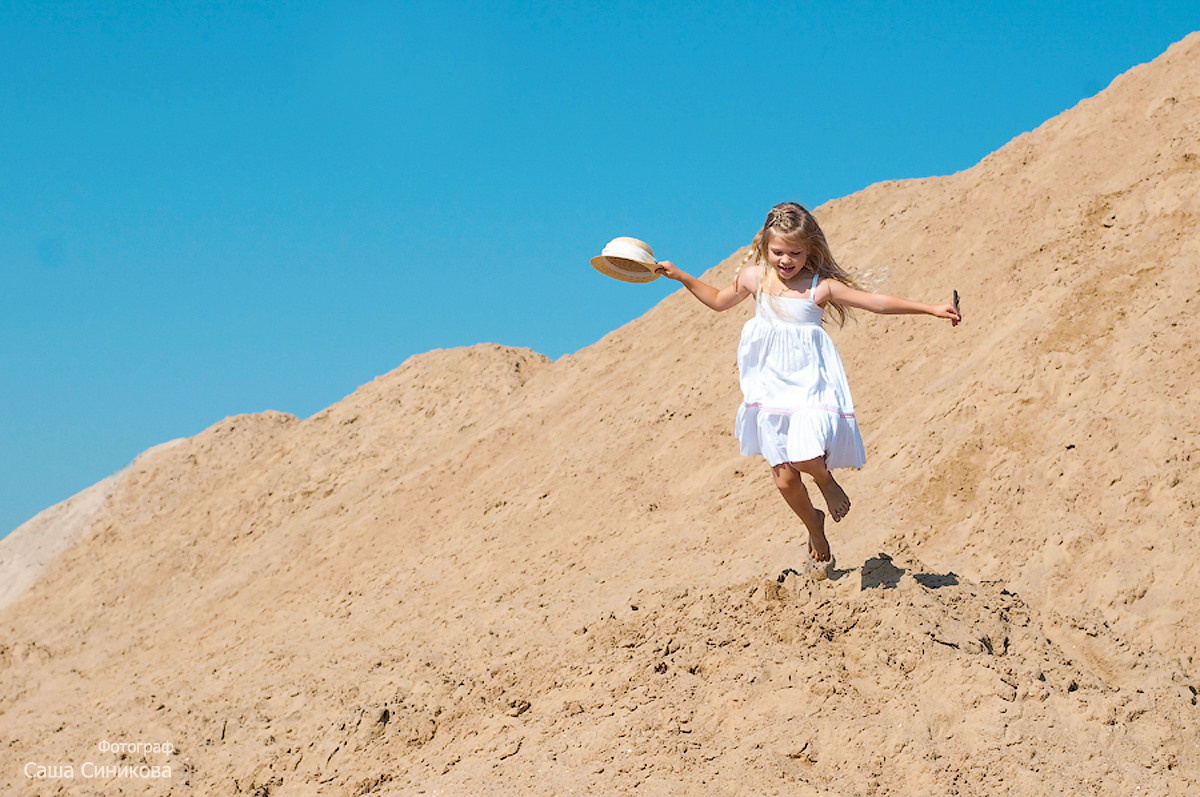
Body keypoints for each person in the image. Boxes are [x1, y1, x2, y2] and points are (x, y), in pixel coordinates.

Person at [654, 202, 960, 577]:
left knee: (805, 455)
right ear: (765, 246)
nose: (786, 260)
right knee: (784, 478)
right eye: (778, 252)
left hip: (810, 386)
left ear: (810, 250)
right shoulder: (753, 278)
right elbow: (719, 300)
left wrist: (930, 308)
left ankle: (826, 481)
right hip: (770, 389)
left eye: (796, 253)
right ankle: (814, 525)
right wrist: (682, 276)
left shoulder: (820, 287)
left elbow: (876, 303)